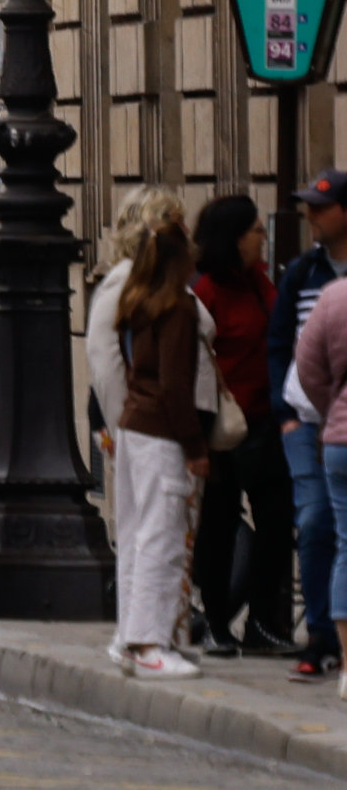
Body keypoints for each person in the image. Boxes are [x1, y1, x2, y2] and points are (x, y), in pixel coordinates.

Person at [196, 192, 298, 653]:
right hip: (223, 427)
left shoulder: (260, 281)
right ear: (235, 239)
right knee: (219, 525)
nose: (263, 236)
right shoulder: (207, 292)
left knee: (277, 524)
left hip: (266, 423)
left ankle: (261, 622)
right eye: (256, 229)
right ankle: (217, 621)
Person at [118, 210, 217, 677]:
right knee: (164, 537)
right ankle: (150, 642)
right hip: (161, 431)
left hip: (134, 423)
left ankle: (129, 637)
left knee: (139, 535)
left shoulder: (136, 301)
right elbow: (178, 385)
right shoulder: (178, 306)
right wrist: (196, 448)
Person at [290, 178, 347, 676]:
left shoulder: (331, 290)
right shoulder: (302, 272)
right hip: (310, 424)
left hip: (331, 425)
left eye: (321, 209)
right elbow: (286, 350)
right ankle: (319, 636)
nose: (311, 218)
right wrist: (294, 415)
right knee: (315, 524)